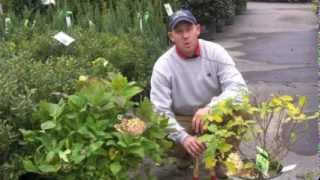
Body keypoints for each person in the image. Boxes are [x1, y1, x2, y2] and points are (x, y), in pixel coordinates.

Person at [150, 9, 248, 177]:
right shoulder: (163, 66)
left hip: (212, 115)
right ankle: (182, 156)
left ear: (198, 30)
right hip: (182, 117)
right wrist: (183, 138)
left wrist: (212, 108)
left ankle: (222, 159)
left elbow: (239, 88)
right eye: (179, 32)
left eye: (188, 29)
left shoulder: (215, 52)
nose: (185, 36)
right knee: (155, 127)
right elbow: (160, 111)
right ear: (171, 36)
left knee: (242, 111)